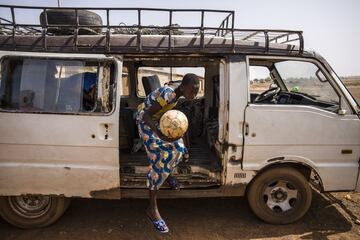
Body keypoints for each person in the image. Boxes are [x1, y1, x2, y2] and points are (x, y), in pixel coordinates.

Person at [136, 73, 200, 233]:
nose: (194, 95)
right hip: (146, 123)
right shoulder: (168, 94)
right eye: (192, 91)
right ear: (183, 87)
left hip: (156, 120)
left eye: (196, 92)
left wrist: (184, 142)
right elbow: (146, 115)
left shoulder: (176, 95)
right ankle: (152, 209)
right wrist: (160, 135)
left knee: (179, 149)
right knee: (161, 159)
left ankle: (167, 173)